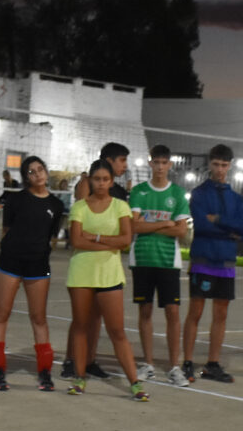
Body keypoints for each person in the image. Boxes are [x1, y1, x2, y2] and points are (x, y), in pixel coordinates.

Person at [65, 159, 147, 401]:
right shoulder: (79, 207)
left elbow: (124, 240)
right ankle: (79, 378)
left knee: (117, 331)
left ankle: (134, 383)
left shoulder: (120, 206)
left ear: (112, 182)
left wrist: (96, 236)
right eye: (97, 179)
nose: (101, 184)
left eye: (105, 179)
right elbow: (77, 241)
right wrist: (106, 240)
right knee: (81, 327)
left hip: (109, 274)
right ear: (90, 179)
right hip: (81, 274)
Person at [0, 156, 65, 391]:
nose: (37, 175)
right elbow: (7, 229)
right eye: (31, 172)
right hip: (10, 262)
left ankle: (44, 371)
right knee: (2, 314)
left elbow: (52, 236)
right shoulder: (15, 199)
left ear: (46, 172)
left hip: (38, 265)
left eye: (40, 169)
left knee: (39, 317)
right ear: (26, 177)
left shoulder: (56, 205)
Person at [60, 142, 132, 379]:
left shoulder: (119, 198)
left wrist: (101, 239)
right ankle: (73, 361)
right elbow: (80, 233)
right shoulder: (85, 191)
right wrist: (104, 241)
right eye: (122, 160)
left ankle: (89, 359)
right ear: (110, 161)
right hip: (85, 266)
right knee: (82, 319)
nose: (125, 166)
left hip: (106, 268)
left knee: (98, 318)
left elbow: (124, 238)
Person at [181, 144, 243, 383]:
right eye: (216, 164)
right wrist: (228, 228)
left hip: (226, 262)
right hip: (203, 259)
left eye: (224, 165)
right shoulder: (199, 194)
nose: (220, 169)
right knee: (195, 312)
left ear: (229, 166)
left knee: (221, 313)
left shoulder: (236, 198)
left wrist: (218, 220)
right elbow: (202, 224)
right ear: (210, 164)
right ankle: (187, 362)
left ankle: (213, 363)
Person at [129, 145, 191, 387]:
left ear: (170, 165)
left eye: (165, 163)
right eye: (157, 162)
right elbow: (134, 227)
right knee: (145, 312)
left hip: (168, 261)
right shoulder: (138, 192)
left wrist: (150, 223)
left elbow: (181, 230)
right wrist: (165, 224)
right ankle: (148, 364)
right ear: (150, 163)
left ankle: (175, 366)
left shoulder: (177, 193)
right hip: (142, 258)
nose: (160, 167)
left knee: (172, 313)